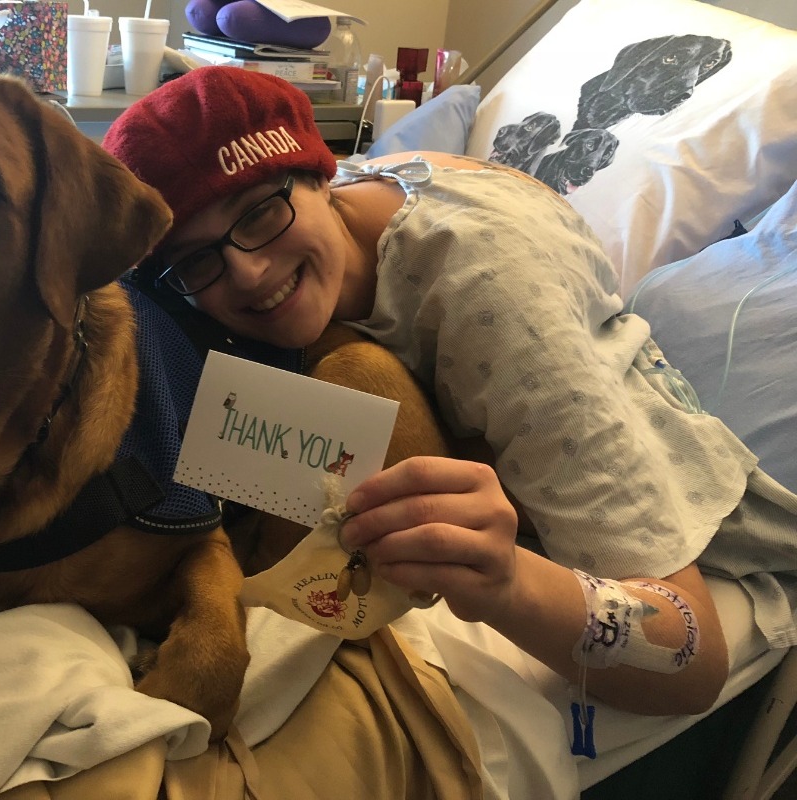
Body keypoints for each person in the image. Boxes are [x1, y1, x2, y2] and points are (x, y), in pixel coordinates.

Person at [103, 67, 797, 735]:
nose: (250, 271)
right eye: (197, 259)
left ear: (320, 174)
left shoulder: (491, 303)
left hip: (718, 532)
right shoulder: (333, 211)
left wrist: (507, 584)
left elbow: (691, 660)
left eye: (259, 214)